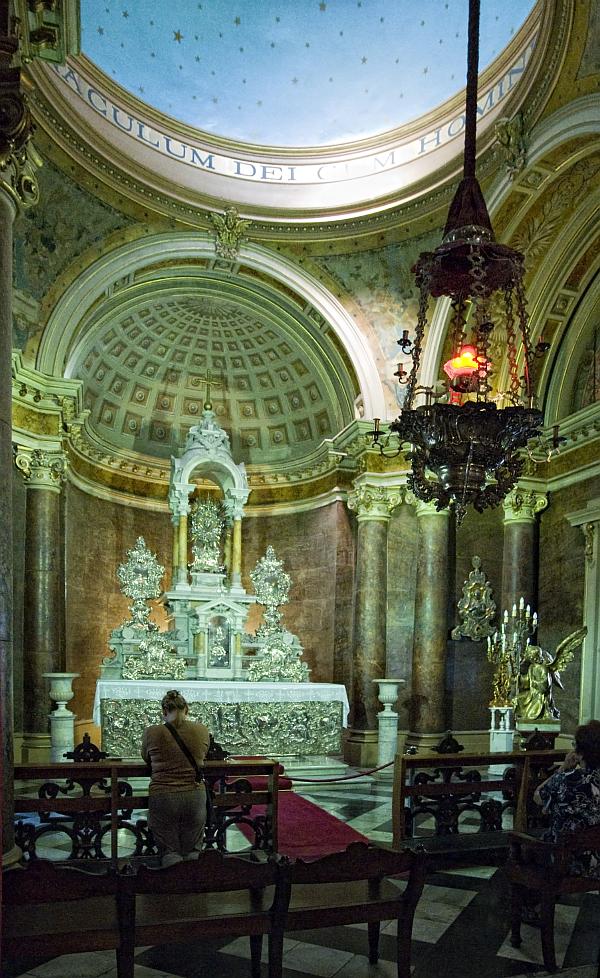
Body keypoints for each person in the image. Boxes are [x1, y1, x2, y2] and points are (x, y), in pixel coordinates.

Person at [141, 689, 211, 866]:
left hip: (163, 794)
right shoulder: (201, 730)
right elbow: (204, 754)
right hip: (194, 795)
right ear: (186, 709)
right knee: (193, 852)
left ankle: (172, 889)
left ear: (164, 711)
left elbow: (146, 758)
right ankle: (193, 887)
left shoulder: (152, 732)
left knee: (170, 852)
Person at [534, 719, 600, 878]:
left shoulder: (567, 779)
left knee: (529, 854)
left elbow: (538, 796)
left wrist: (564, 768)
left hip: (567, 861)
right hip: (597, 861)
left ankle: (537, 899)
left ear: (580, 752)